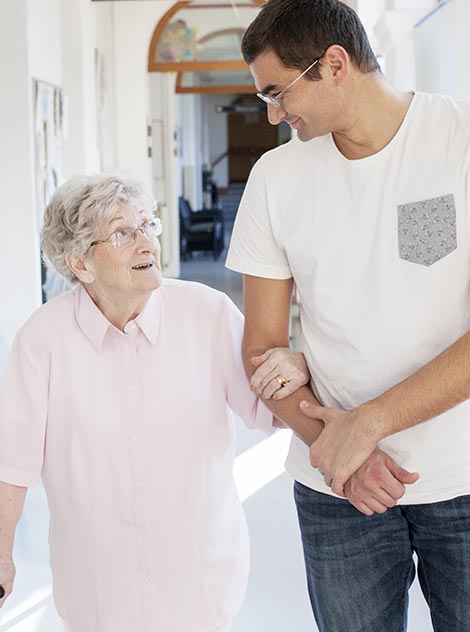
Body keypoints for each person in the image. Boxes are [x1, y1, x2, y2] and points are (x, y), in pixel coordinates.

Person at [226, 0, 470, 630]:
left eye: (278, 92)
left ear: (334, 64)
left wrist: (368, 425)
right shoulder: (275, 179)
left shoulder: (459, 141)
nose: (274, 115)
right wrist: (339, 451)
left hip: (464, 475)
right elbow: (261, 350)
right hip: (336, 487)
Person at [0, 173, 304, 632]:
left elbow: (268, 409)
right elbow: (11, 461)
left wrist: (297, 369)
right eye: (123, 233)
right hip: (97, 589)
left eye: (148, 226)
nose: (146, 243)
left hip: (199, 579)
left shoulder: (208, 313)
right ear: (79, 263)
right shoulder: (42, 340)